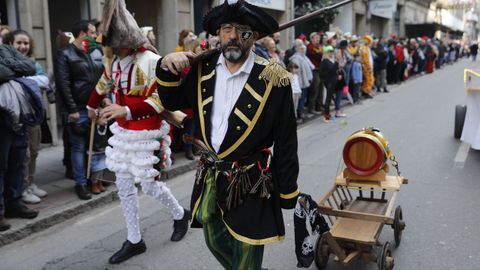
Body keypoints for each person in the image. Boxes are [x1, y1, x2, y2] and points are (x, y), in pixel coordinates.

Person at [157, 1, 300, 269]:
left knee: (247, 247)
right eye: (226, 29)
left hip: (252, 179)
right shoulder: (203, 68)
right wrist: (166, 65)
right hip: (212, 173)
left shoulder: (275, 77)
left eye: (243, 30)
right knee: (213, 237)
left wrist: (287, 189)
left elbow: (286, 139)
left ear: (254, 36)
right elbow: (172, 100)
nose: (233, 36)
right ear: (218, 33)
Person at [87, 0, 190, 264]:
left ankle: (180, 214)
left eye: (114, 42)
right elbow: (103, 84)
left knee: (150, 186)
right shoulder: (114, 62)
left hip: (148, 132)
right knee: (123, 186)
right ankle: (135, 240)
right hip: (122, 133)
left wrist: (126, 110)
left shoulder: (152, 61)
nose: (110, 47)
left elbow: (160, 101)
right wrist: (91, 105)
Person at [55, 20, 104, 200]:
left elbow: (101, 79)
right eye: (92, 32)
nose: (95, 36)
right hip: (78, 110)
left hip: (95, 107)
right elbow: (63, 84)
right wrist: (72, 109)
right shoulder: (64, 54)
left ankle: (95, 179)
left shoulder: (95, 52)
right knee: (78, 147)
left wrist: (103, 99)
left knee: (96, 146)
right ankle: (81, 184)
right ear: (83, 34)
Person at [4, 30, 50, 204]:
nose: (23, 47)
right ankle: (22, 189)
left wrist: (25, 81)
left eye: (26, 43)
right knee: (24, 156)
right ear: (10, 44)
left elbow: (45, 80)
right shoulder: (8, 64)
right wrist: (31, 81)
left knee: (34, 151)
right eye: (19, 43)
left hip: (34, 115)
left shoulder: (33, 63)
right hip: (16, 117)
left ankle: (30, 183)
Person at [0, 42, 40, 231]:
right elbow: (3, 74)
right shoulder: (8, 52)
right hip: (1, 117)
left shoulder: (5, 49)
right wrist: (15, 67)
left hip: (16, 115)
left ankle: (14, 204)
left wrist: (7, 62)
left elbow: (30, 66)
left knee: (17, 161)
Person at [289, 43, 314, 124]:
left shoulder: (303, 57)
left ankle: (301, 113)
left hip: (304, 82)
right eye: (302, 49)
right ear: (298, 49)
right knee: (299, 100)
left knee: (303, 99)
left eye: (304, 48)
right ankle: (299, 115)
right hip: (299, 83)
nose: (304, 50)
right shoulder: (296, 58)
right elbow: (297, 70)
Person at [306, 32, 324, 114]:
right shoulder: (310, 47)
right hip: (314, 70)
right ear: (312, 39)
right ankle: (311, 108)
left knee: (320, 88)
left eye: (319, 38)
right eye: (316, 38)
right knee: (314, 89)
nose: (318, 39)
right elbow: (319, 56)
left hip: (320, 69)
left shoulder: (319, 47)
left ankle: (319, 106)